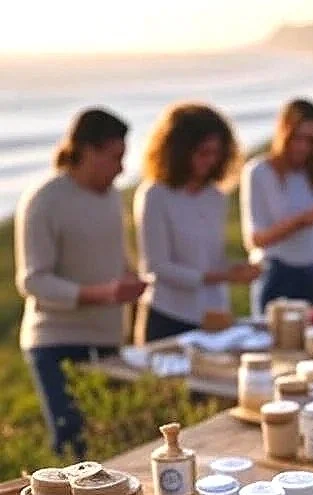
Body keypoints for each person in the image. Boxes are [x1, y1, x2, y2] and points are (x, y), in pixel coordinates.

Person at [15, 108, 145, 456]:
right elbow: (33, 282)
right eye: (115, 157)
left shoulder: (112, 197)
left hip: (107, 341)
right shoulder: (44, 200)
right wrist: (102, 294)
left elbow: (116, 260)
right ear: (85, 151)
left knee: (115, 442)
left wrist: (132, 280)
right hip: (56, 345)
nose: (121, 168)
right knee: (74, 447)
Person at [134, 103, 259, 342]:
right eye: (203, 153)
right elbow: (156, 268)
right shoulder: (155, 195)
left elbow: (209, 257)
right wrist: (219, 277)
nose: (210, 161)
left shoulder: (215, 197)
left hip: (213, 316)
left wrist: (237, 270)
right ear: (179, 151)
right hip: (169, 315)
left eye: (216, 153)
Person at [241, 99, 313, 311]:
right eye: (297, 138)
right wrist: (302, 221)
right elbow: (256, 240)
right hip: (275, 271)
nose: (303, 146)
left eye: (310, 140)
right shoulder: (259, 172)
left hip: (312, 272)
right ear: (283, 132)